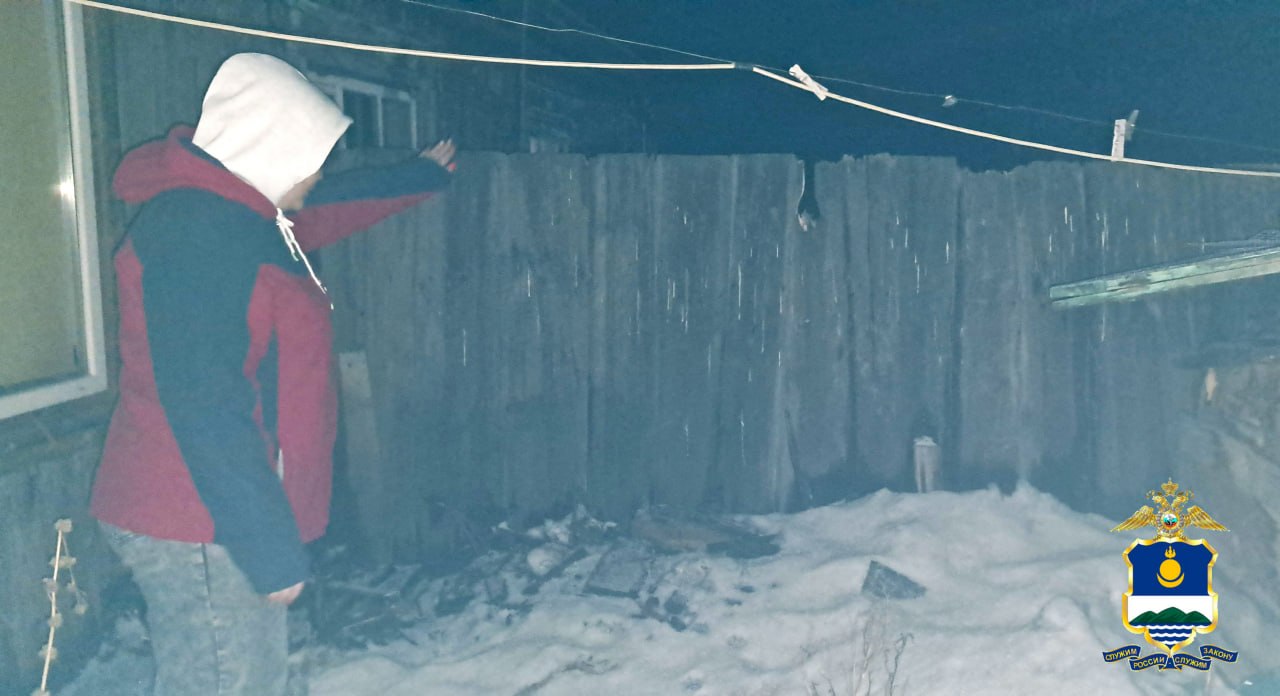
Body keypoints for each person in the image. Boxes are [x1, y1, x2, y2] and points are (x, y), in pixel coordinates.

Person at [90, 52, 455, 695]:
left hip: (213, 509)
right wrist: (264, 544)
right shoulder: (201, 237)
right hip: (200, 517)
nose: (316, 176)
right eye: (310, 160)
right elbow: (206, 403)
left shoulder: (231, 217)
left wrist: (417, 177)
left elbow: (320, 210)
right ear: (271, 151)